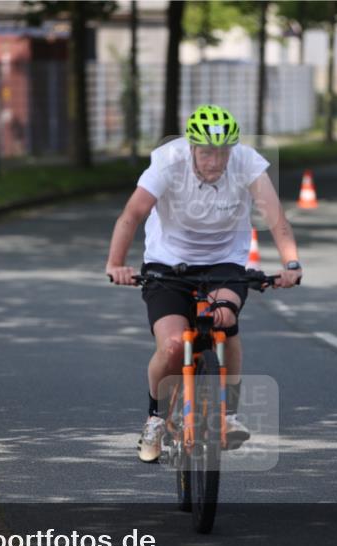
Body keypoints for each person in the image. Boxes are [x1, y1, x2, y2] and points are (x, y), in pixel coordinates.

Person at [106, 104, 303, 463]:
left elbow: (276, 218)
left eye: (223, 152)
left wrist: (291, 263)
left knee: (225, 323)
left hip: (223, 262)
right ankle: (155, 417)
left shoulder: (247, 163)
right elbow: (132, 214)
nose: (215, 161)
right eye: (207, 152)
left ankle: (228, 413)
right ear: (192, 147)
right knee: (169, 347)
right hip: (167, 264)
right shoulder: (168, 161)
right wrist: (116, 264)